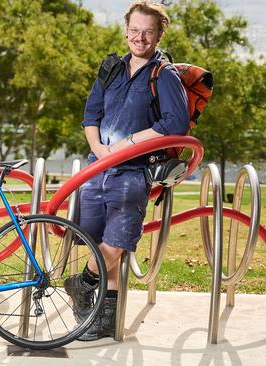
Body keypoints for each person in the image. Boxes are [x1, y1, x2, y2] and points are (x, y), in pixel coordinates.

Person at [64, 0, 189, 341]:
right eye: (134, 30)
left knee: (117, 243)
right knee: (97, 244)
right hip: (97, 169)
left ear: (159, 35)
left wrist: (129, 143)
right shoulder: (112, 69)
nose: (140, 38)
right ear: (126, 31)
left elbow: (175, 122)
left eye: (148, 32)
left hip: (134, 172)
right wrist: (100, 150)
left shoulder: (164, 75)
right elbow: (90, 117)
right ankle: (104, 322)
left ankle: (82, 283)